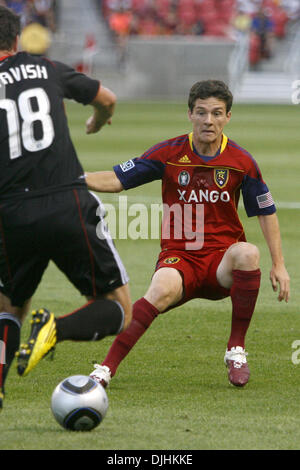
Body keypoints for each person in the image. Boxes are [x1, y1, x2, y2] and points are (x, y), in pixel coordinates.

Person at [85, 79, 290, 389]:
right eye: (202, 112)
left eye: (217, 113)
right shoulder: (168, 152)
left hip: (221, 263)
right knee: (159, 291)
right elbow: (117, 179)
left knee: (247, 253)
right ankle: (104, 370)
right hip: (179, 257)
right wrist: (76, 178)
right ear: (190, 114)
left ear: (228, 117)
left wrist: (279, 264)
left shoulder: (241, 162)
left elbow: (265, 210)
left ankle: (236, 349)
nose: (209, 120)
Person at [0, 5, 132, 410]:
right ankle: (54, 328)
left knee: (9, 307)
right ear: (17, 38)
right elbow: (106, 99)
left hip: (11, 213)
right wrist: (97, 118)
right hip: (67, 200)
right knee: (119, 308)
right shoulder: (47, 68)